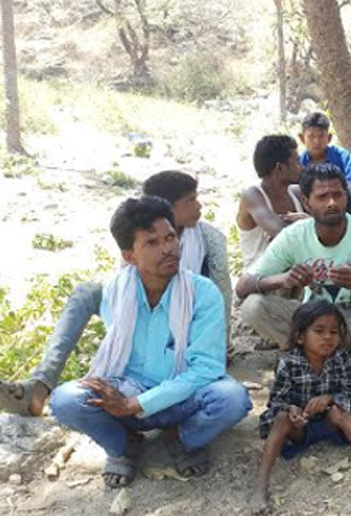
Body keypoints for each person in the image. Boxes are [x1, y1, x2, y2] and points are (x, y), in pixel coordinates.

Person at [48, 196, 251, 489]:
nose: (168, 249)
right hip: (126, 390)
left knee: (232, 398)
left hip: (181, 398)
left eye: (170, 237)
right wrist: (124, 398)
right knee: (65, 400)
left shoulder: (201, 293)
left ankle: (180, 437)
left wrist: (137, 403)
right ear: (129, 255)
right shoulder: (118, 290)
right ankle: (125, 444)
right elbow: (113, 359)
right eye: (152, 243)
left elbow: (206, 369)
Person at [1, 171, 233, 417]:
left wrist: (219, 343)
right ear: (170, 208)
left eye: (169, 239)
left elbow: (222, 288)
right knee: (86, 293)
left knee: (228, 396)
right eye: (190, 200)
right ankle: (40, 385)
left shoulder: (210, 238)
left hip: (193, 313)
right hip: (150, 309)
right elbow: (128, 287)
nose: (199, 206)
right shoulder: (135, 236)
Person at [235, 164, 351, 390]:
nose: (332, 203)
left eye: (337, 195)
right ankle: (304, 353)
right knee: (253, 306)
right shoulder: (294, 235)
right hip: (311, 323)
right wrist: (282, 279)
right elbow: (242, 287)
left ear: (346, 197)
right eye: (322, 197)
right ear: (307, 203)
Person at [250, 299, 351, 514]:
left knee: (339, 411)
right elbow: (277, 400)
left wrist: (330, 398)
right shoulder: (289, 361)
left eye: (334, 332)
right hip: (299, 427)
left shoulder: (341, 358)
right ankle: (261, 486)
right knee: (281, 419)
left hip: (331, 423)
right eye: (319, 331)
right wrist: (293, 410)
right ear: (301, 337)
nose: (328, 338)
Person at [238, 135, 308, 269]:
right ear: (280, 167)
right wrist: (309, 223)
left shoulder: (296, 193)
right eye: (297, 162)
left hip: (295, 280)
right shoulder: (252, 196)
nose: (302, 167)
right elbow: (282, 233)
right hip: (260, 283)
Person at [299, 112, 351, 213]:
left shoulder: (341, 156)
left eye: (321, 136)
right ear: (302, 138)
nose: (316, 141)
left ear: (329, 138)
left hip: (342, 200)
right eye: (311, 137)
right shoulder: (300, 163)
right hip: (315, 205)